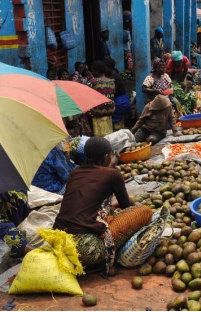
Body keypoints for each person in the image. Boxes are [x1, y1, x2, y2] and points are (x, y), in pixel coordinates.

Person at [54, 138, 155, 273]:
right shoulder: (113, 174)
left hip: (59, 243)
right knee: (145, 211)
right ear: (107, 156)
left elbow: (96, 181)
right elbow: (126, 207)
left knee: (110, 212)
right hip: (85, 251)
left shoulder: (74, 173)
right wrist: (133, 203)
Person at [87, 61, 116, 137]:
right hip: (110, 110)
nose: (92, 72)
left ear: (96, 71)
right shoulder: (111, 81)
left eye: (92, 70)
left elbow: (85, 95)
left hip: (97, 112)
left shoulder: (92, 82)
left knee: (99, 136)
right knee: (109, 134)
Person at [104, 58, 131, 130]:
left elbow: (111, 94)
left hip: (120, 103)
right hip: (123, 101)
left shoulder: (115, 78)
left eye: (105, 68)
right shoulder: (114, 75)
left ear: (110, 68)